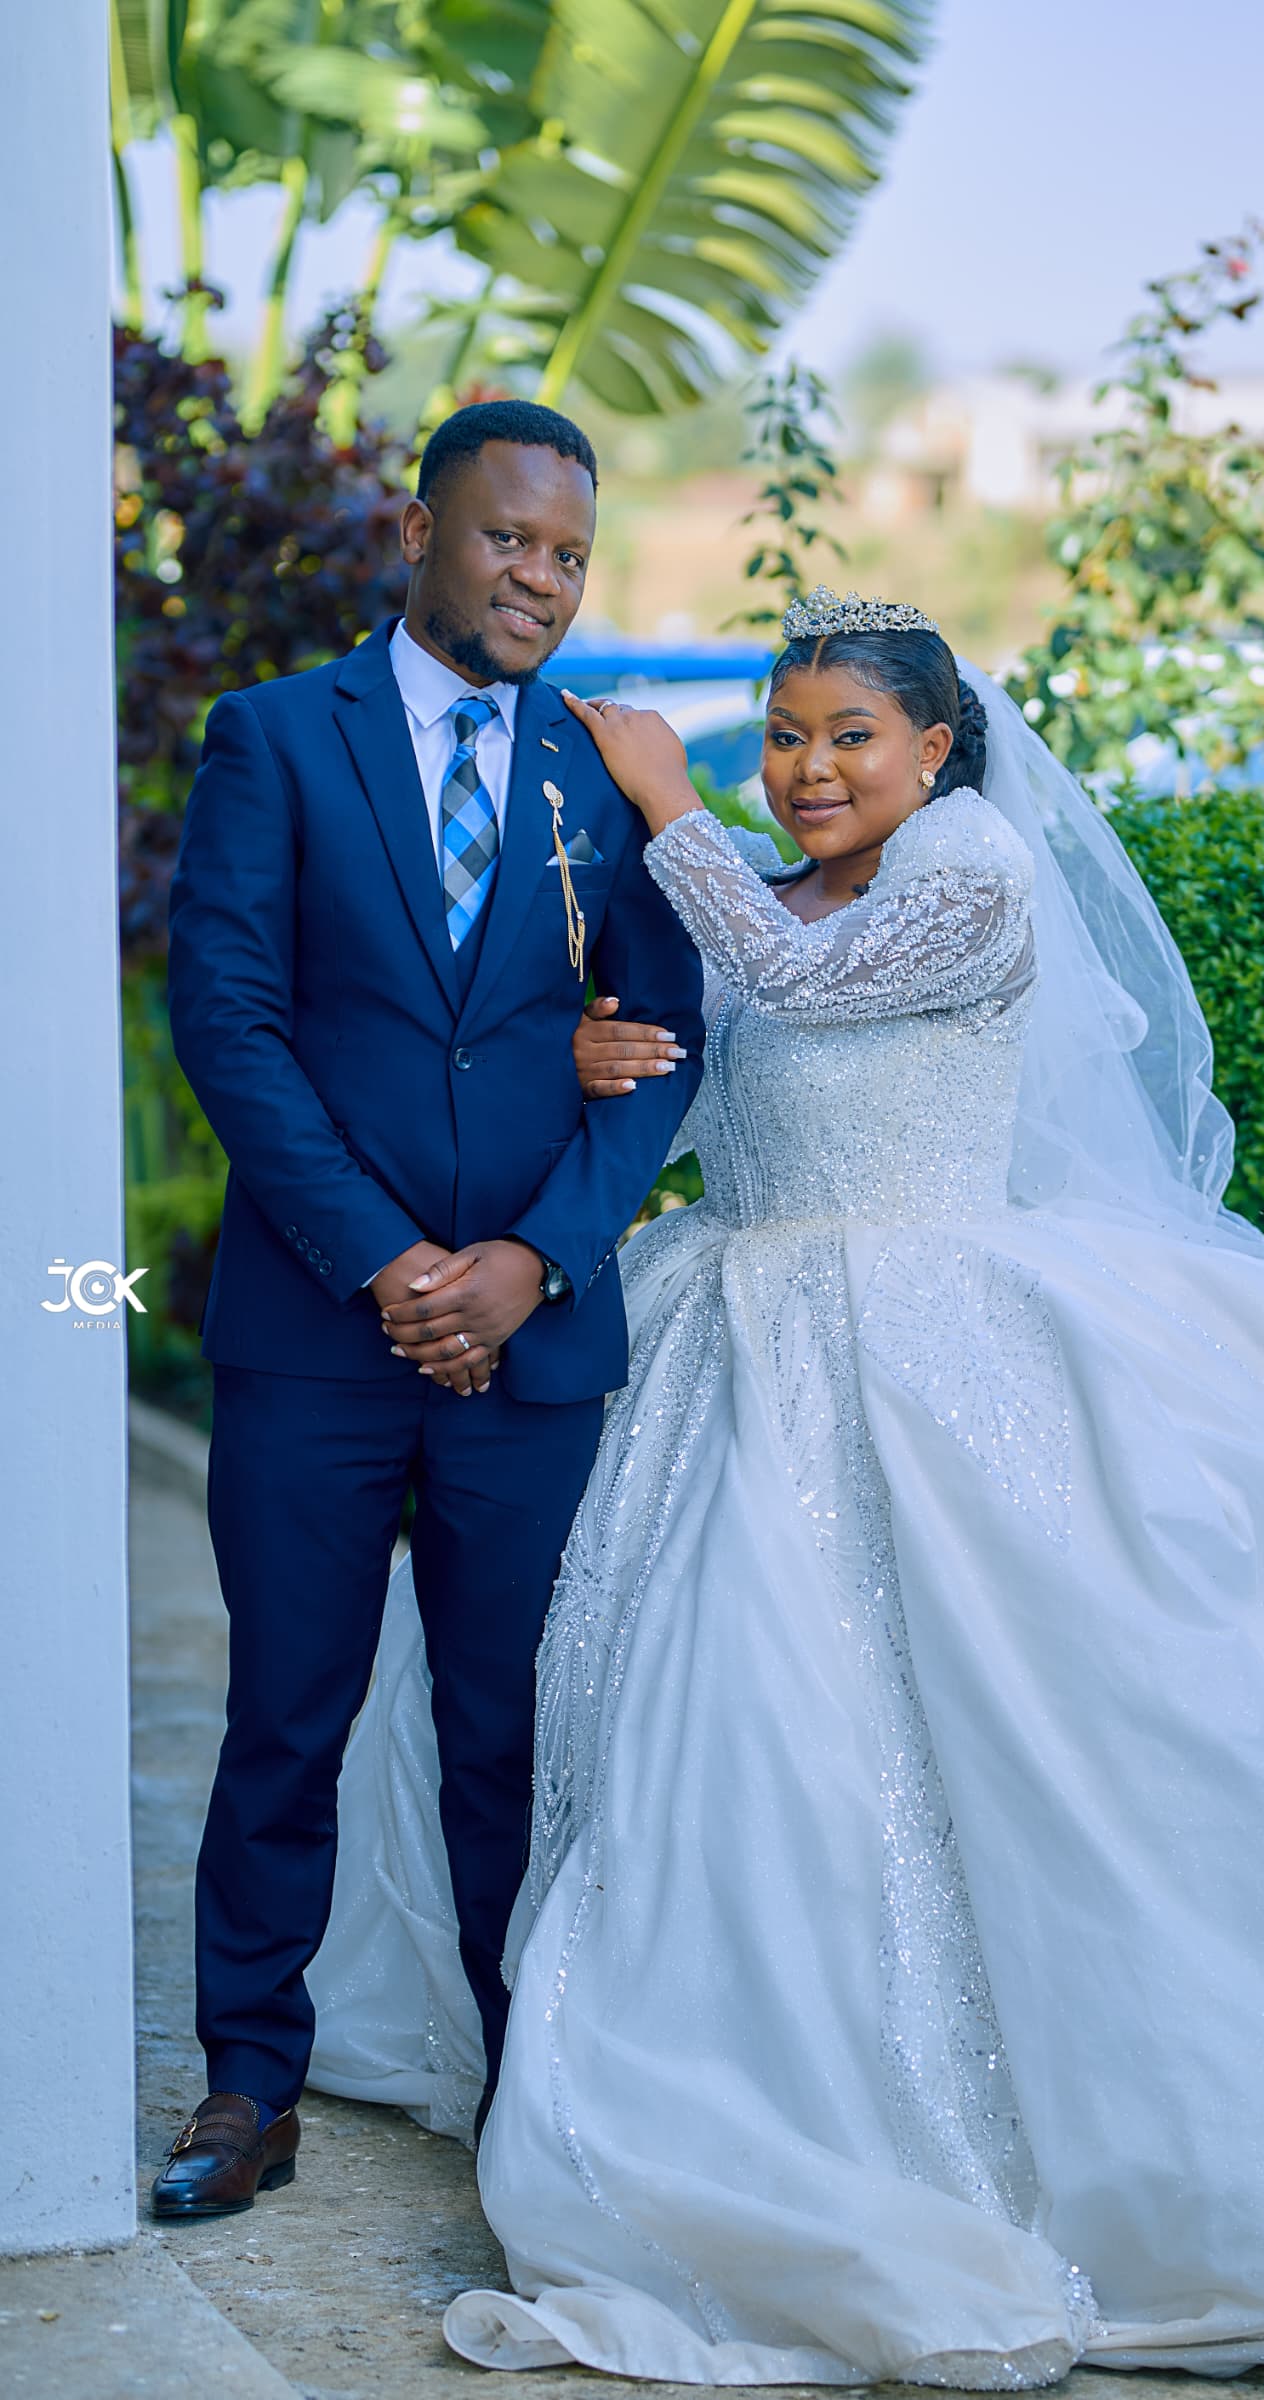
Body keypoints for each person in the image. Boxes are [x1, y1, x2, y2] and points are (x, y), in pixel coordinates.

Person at [306, 588, 1264, 2382]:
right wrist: (598, 1055)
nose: (806, 769)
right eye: (781, 736)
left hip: (932, 1323)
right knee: (729, 1713)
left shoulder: (972, 874)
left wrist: (667, 801)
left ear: (938, 749)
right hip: (735, 1313)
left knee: (1021, 1707)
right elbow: (717, 1072)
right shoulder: (766, 893)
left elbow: (805, 986)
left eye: (848, 736)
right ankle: (738, 2054)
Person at [151, 403, 704, 2221]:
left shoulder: (603, 773)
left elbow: (666, 1042)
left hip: (532, 1346)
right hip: (319, 1333)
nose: (540, 578)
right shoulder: (274, 739)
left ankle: (530, 2087)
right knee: (286, 1718)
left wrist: (535, 1259)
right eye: (507, 539)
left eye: (569, 554)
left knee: (514, 1734)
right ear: (418, 533)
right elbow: (228, 1020)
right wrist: (388, 1262)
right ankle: (248, 2081)